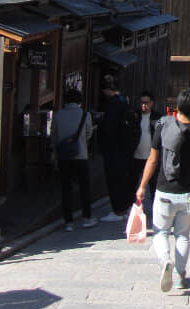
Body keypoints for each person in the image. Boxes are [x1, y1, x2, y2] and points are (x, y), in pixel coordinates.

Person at [137, 88, 190, 292]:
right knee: (183, 235)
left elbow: (153, 161)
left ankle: (165, 261)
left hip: (164, 189)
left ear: (177, 107)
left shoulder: (162, 127)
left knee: (161, 232)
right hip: (187, 193)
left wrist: (142, 185)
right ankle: (179, 275)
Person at [51, 88, 97, 232]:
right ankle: (87, 218)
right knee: (84, 187)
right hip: (81, 155)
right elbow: (89, 133)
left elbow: (54, 136)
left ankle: (68, 221)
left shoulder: (58, 116)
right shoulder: (85, 115)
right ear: (79, 101)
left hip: (64, 157)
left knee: (66, 189)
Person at [97, 74, 140, 221]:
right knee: (125, 178)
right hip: (127, 149)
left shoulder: (112, 105)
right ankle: (126, 207)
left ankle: (118, 210)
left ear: (107, 89)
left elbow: (108, 129)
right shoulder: (125, 102)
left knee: (114, 180)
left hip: (114, 148)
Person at [133, 90, 161, 217]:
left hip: (151, 157)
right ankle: (134, 208)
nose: (144, 105)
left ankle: (156, 209)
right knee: (133, 183)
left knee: (153, 185)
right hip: (136, 155)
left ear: (152, 103)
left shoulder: (157, 118)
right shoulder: (134, 116)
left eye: (146, 103)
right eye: (142, 103)